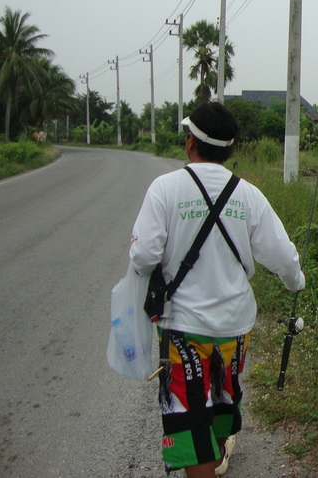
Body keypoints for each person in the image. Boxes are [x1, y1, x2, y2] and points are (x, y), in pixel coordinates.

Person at [128, 102, 305, 478]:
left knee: (190, 412)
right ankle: (219, 449)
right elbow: (284, 259)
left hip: (182, 329)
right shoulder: (249, 195)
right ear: (229, 148)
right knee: (224, 394)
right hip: (234, 327)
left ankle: (207, 459)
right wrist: (297, 283)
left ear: (190, 141)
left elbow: (143, 256)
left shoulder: (164, 189)